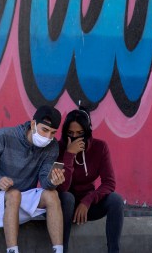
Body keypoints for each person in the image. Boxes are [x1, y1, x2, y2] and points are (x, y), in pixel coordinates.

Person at [0, 105, 66, 253]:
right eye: (44, 130)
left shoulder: (52, 146)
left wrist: (52, 181)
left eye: (53, 133)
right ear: (32, 124)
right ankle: (12, 251)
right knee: (14, 193)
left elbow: (44, 181)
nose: (48, 137)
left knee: (52, 194)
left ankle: (59, 251)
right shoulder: (3, 136)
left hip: (21, 204)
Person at [56, 108, 124, 253]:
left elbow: (109, 182)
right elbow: (62, 188)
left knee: (116, 200)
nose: (75, 137)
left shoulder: (100, 147)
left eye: (80, 134)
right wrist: (69, 155)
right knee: (67, 197)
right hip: (64, 207)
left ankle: (114, 251)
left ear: (87, 132)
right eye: (70, 133)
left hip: (87, 206)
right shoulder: (58, 148)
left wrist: (87, 201)